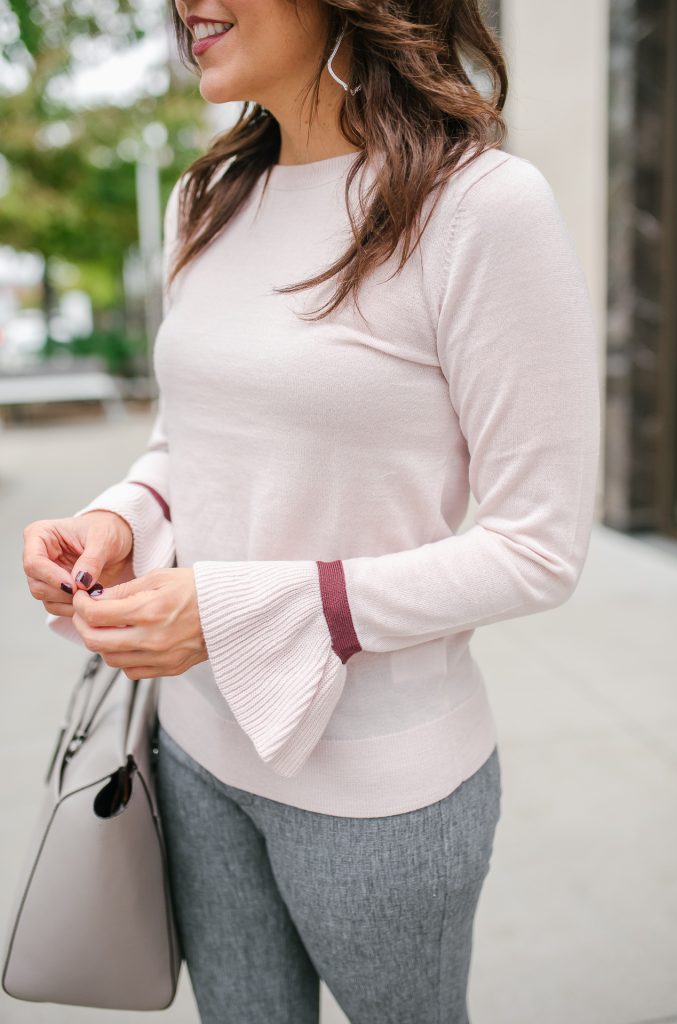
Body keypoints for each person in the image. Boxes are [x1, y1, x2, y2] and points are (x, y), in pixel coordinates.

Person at [21, 0, 602, 1021]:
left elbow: (538, 547)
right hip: (193, 751)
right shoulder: (206, 195)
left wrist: (235, 611)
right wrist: (118, 518)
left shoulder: (480, 207)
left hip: (383, 794)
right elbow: (187, 441)